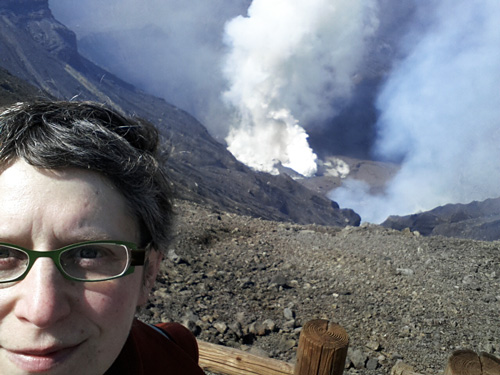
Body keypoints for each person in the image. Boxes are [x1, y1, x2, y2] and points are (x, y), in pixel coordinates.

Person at [0, 100, 205, 374]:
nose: (41, 311)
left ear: (149, 273)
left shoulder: (174, 363)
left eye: (89, 253)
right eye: (2, 254)